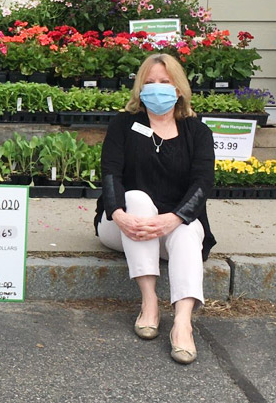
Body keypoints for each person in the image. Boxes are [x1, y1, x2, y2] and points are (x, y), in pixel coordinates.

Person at [94, 53, 216, 365]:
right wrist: (118, 214)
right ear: (140, 87)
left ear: (178, 89)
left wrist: (173, 218)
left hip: (172, 225)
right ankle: (149, 302)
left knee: (188, 230)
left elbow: (203, 183)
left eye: (164, 81)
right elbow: (110, 173)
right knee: (136, 198)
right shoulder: (123, 124)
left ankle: (182, 323)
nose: (156, 88)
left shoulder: (197, 132)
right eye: (149, 82)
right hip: (122, 224)